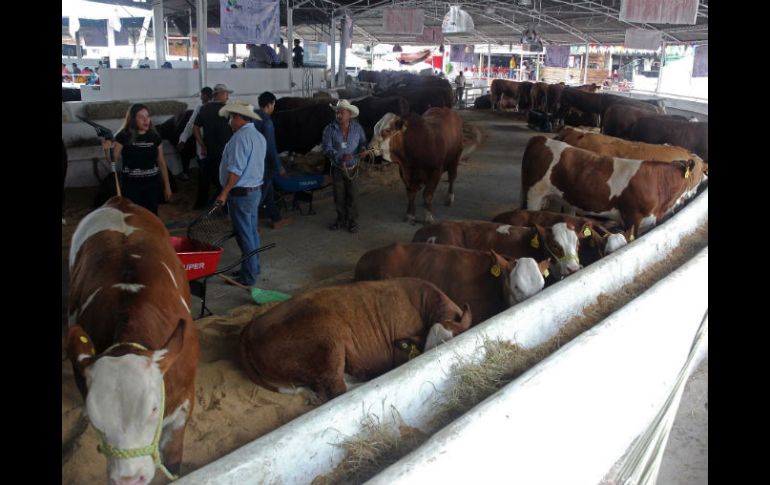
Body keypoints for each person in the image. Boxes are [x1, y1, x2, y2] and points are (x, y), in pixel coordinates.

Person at [215, 101, 266, 286]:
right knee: (251, 231)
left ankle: (248, 277)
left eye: (230, 117)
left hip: (241, 194)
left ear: (238, 117)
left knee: (244, 235)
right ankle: (253, 267)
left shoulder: (240, 138)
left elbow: (235, 170)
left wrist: (224, 193)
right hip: (254, 191)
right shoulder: (258, 136)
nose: (229, 121)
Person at [105, 103, 173, 214]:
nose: (146, 120)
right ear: (133, 119)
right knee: (133, 215)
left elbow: (161, 162)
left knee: (151, 215)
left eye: (147, 116)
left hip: (152, 184)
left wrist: (167, 186)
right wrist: (106, 150)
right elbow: (112, 160)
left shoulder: (154, 137)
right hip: (131, 185)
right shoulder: (123, 136)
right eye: (141, 117)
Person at [321, 100, 367, 233]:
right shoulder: (329, 129)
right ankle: (341, 219)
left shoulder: (357, 128)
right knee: (339, 195)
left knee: (353, 195)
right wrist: (339, 156)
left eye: (342, 112)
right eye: (337, 112)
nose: (339, 115)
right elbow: (326, 148)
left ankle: (352, 221)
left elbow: (363, 142)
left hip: (353, 169)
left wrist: (363, 149)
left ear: (349, 114)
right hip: (338, 168)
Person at [253, 91, 290, 229]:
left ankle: (276, 218)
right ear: (269, 105)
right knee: (261, 195)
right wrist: (279, 167)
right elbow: (270, 147)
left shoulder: (253, 117)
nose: (273, 107)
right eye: (273, 104)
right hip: (265, 164)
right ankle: (249, 225)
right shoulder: (267, 122)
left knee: (268, 190)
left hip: (254, 161)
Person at [193, 83, 233, 208]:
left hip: (209, 150)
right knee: (225, 179)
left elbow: (195, 128)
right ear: (218, 94)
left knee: (205, 177)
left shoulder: (204, 108)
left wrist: (202, 145)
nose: (227, 97)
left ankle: (200, 204)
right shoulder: (228, 110)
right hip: (225, 150)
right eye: (226, 94)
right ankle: (222, 205)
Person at [177, 86, 213, 182]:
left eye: (202, 95)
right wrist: (183, 139)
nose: (201, 98)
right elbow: (190, 125)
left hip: (204, 144)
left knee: (204, 170)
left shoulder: (201, 109)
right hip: (211, 145)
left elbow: (190, 125)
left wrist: (182, 140)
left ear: (205, 95)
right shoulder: (201, 108)